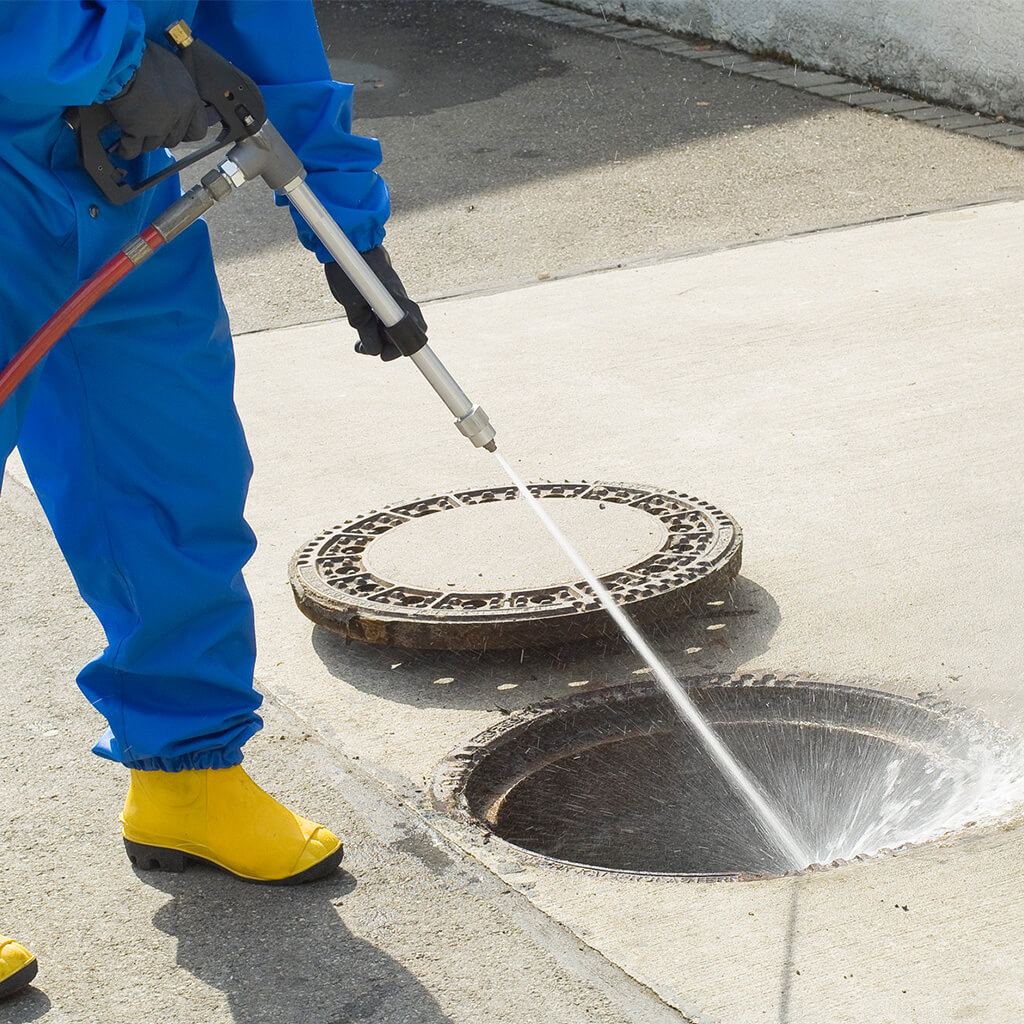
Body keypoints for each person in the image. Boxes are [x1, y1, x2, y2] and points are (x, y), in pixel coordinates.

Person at [0, 1, 425, 1000]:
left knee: (172, 482)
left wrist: (347, 233)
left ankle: (186, 775)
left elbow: (265, 34)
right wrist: (103, 56)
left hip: (118, 181)